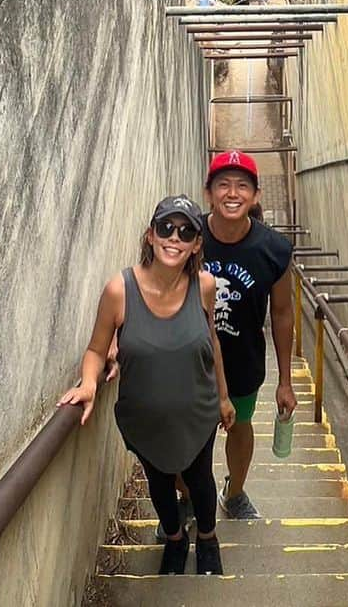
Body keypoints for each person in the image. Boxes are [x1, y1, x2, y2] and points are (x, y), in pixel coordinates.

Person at [58, 195, 235, 575]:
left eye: (186, 231)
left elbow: (213, 342)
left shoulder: (204, 285)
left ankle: (207, 537)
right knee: (158, 481)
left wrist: (223, 397)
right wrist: (89, 382)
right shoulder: (119, 290)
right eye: (166, 228)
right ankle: (174, 537)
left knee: (200, 480)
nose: (175, 237)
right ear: (150, 235)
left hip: (197, 412)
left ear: (196, 244)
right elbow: (95, 347)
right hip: (144, 419)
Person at [201, 150, 297, 518]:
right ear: (208, 192)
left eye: (242, 185)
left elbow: (283, 314)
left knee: (240, 427)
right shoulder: (186, 235)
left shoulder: (273, 249)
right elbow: (152, 286)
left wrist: (285, 381)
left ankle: (234, 492)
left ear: (255, 195)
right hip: (191, 360)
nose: (232, 193)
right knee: (190, 440)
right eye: (223, 184)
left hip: (244, 362)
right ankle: (189, 498)